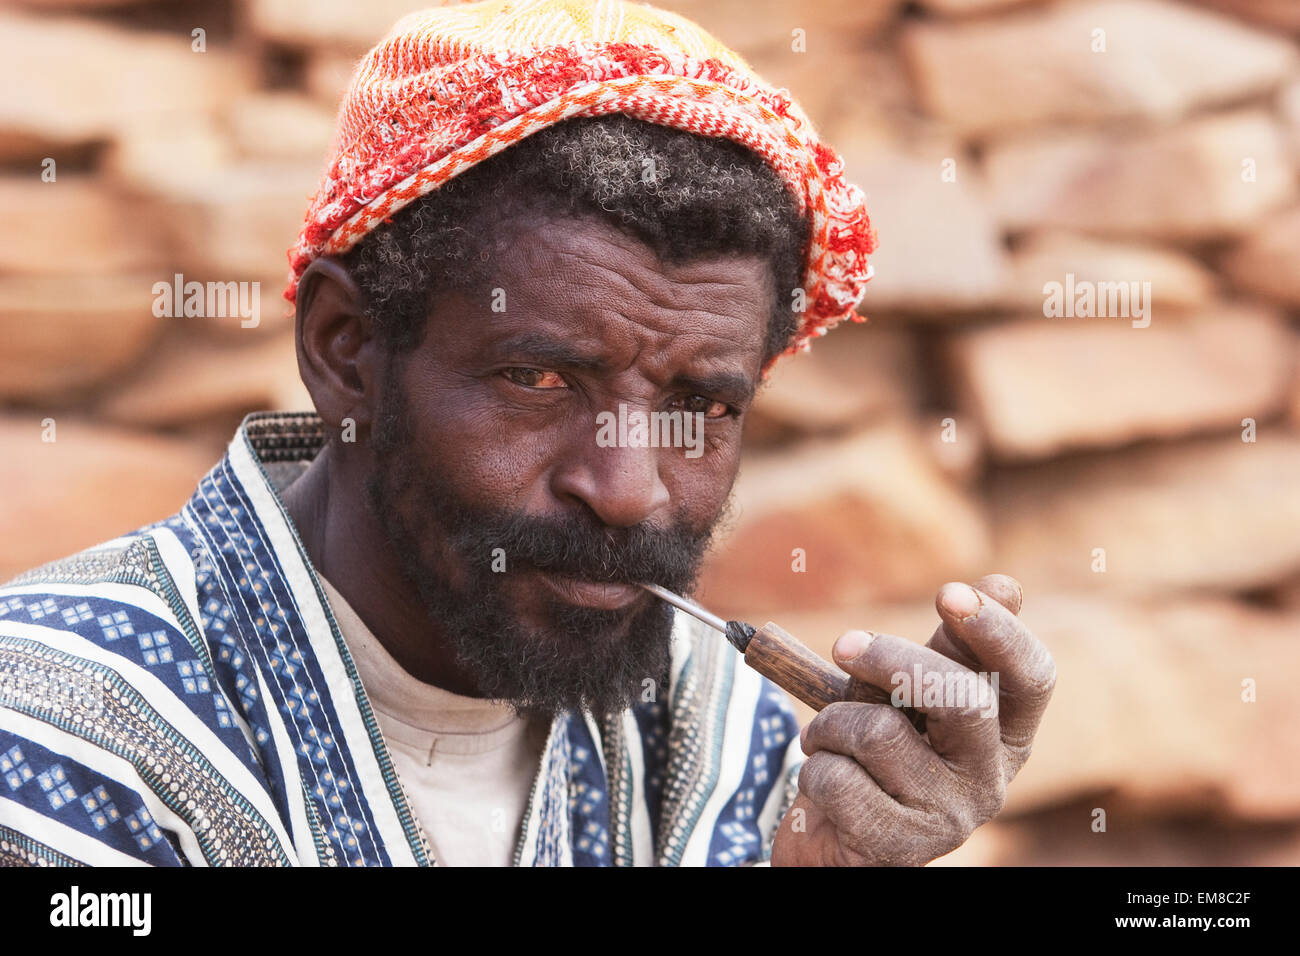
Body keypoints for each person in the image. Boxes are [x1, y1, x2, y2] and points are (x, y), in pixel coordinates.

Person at [0, 0, 1055, 867]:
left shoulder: (730, 740)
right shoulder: (58, 724)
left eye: (703, 405)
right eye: (538, 377)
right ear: (343, 348)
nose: (629, 488)